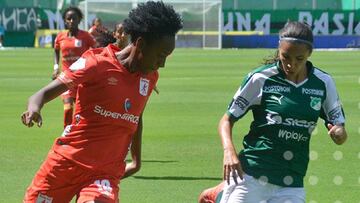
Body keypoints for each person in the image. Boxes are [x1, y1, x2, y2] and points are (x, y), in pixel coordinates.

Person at [21, 1, 183, 202]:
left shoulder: (150, 77)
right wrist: (34, 108)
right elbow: (41, 94)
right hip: (66, 163)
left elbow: (136, 117)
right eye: (160, 55)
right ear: (140, 43)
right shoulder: (96, 63)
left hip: (104, 174)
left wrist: (136, 160)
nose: (163, 64)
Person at [198, 21, 347, 203]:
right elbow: (227, 120)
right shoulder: (261, 79)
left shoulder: (323, 83)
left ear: (310, 53)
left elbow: (339, 125)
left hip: (291, 181)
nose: (291, 64)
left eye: (299, 59)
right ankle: (220, 194)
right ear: (279, 49)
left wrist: (339, 133)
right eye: (285, 57)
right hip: (251, 174)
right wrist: (229, 151)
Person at [52, 6, 96, 128]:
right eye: (69, 18)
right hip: (66, 77)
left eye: (74, 18)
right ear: (65, 21)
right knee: (67, 107)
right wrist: (56, 67)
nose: (71, 21)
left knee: (82, 110)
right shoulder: (60, 37)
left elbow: (96, 50)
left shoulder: (86, 36)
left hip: (82, 78)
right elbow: (56, 50)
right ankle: (66, 133)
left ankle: (78, 131)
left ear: (79, 20)